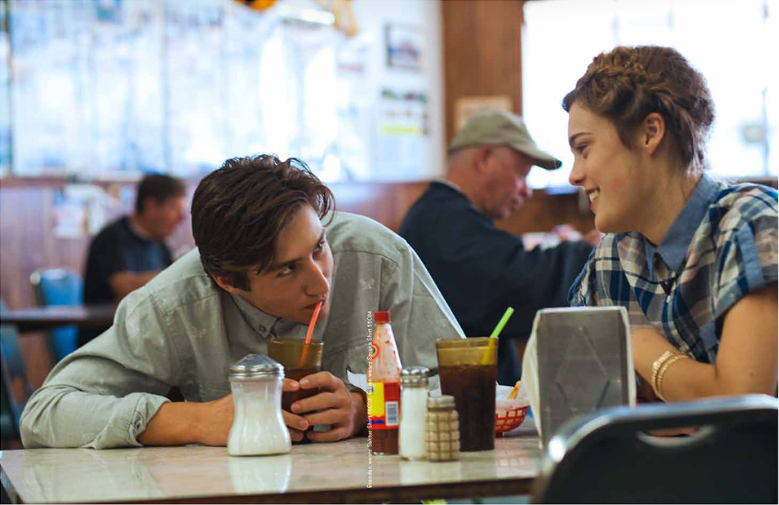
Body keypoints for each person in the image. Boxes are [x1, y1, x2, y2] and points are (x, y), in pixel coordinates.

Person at [20, 155, 464, 449]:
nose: (321, 283)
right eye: (287, 269)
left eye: (318, 249)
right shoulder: (174, 304)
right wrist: (196, 421)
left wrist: (366, 406)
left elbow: (465, 385)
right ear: (226, 281)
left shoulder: (377, 258)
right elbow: (44, 413)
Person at [564, 45, 777, 402]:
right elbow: (579, 400)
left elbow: (742, 412)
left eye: (584, 148)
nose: (574, 175)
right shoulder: (611, 257)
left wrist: (638, 343)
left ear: (650, 132)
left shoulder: (752, 224)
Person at [399, 111, 599, 385]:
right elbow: (520, 284)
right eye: (521, 174)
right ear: (484, 159)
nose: (527, 191)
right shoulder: (441, 222)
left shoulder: (442, 214)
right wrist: (592, 252)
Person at [79, 174, 188, 347]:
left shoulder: (159, 244)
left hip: (144, 337)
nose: (182, 218)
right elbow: (123, 288)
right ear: (151, 206)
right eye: (175, 208)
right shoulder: (111, 238)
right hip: (107, 342)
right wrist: (181, 271)